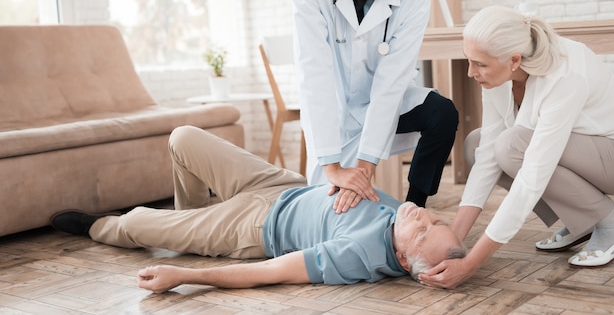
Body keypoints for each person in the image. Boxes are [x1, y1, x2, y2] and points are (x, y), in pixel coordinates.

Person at [50, 125, 466, 292]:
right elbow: (452, 249)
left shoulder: (357, 255)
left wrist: (186, 276)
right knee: (183, 138)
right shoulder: (404, 218)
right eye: (437, 219)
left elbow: (270, 272)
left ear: (401, 258)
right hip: (279, 185)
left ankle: (98, 227)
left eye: (424, 232)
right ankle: (189, 225)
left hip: (253, 227)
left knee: (136, 222)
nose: (423, 215)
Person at [418, 5, 614, 290]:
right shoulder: (497, 71)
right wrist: (455, 238)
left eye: (479, 64)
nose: (470, 72)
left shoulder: (564, 76)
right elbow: (488, 153)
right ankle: (584, 221)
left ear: (514, 60)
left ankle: (612, 220)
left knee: (512, 145)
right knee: (477, 143)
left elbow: (533, 175)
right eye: (469, 60)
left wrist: (470, 264)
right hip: (584, 155)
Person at [292, 0, 458, 210]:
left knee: (442, 113)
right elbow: (314, 76)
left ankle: (414, 208)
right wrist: (333, 168)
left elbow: (392, 82)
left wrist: (367, 165)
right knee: (323, 210)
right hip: (335, 110)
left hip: (384, 105)